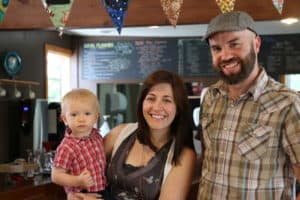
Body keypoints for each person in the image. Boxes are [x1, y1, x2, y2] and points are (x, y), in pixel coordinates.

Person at [197, 11, 300, 200]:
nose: (225, 55)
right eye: (216, 48)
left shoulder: (288, 103)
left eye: (234, 44)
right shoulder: (210, 98)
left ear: (256, 44)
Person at [69, 69, 197, 200]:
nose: (157, 107)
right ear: (142, 102)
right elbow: (79, 165)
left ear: (178, 107)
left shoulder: (183, 155)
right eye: (151, 98)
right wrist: (73, 193)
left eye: (167, 100)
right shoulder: (120, 133)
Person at [51, 88, 110, 199]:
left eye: (87, 113)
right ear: (65, 119)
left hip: (103, 190)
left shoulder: (97, 137)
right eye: (74, 115)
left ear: (96, 117)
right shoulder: (67, 147)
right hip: (82, 194)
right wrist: (77, 180)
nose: (81, 119)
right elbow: (55, 176)